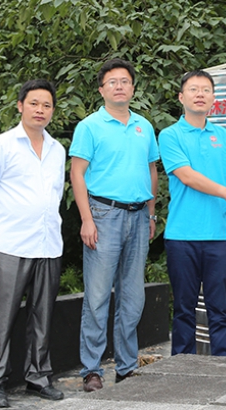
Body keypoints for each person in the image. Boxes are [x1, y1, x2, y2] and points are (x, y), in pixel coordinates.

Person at [0, 79, 66, 407]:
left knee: (43, 317)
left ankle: (38, 377)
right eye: (34, 103)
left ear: (52, 111)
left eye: (47, 105)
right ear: (20, 106)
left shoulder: (57, 150)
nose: (40, 110)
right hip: (11, 245)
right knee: (2, 318)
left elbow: (55, 194)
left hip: (49, 244)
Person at [69, 58, 159, 391]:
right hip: (103, 215)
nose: (119, 86)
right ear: (101, 89)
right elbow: (77, 173)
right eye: (112, 82)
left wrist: (151, 214)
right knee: (97, 297)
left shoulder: (144, 126)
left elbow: (151, 171)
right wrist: (86, 219)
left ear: (133, 88)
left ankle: (126, 366)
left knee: (132, 297)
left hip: (139, 216)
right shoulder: (90, 126)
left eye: (125, 81)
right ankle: (92, 369)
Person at [158, 70, 226, 356]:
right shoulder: (170, 135)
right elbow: (187, 176)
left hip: (219, 235)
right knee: (184, 308)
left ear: (213, 99)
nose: (200, 94)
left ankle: (225, 363)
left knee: (220, 307)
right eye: (193, 89)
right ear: (181, 97)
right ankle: (183, 366)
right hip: (182, 235)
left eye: (206, 90)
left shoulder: (223, 136)